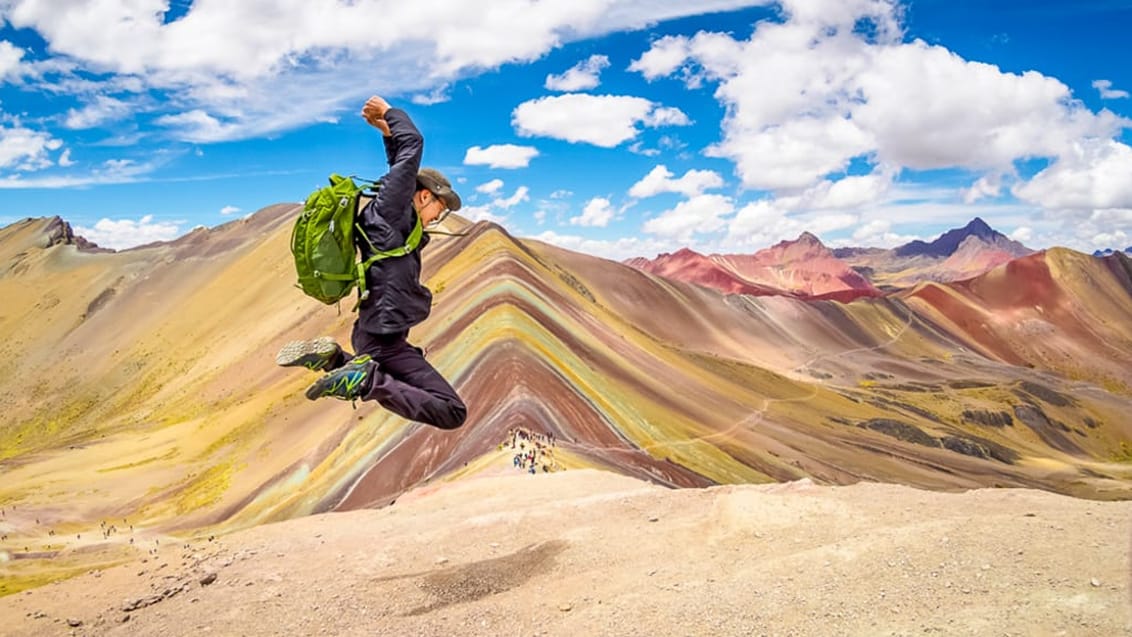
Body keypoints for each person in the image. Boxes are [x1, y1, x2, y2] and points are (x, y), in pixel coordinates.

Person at [275, 95, 466, 431]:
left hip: (374, 331)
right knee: (451, 411)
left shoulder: (391, 215)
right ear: (424, 195)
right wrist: (391, 113)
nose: (440, 215)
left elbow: (399, 166)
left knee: (390, 375)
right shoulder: (392, 211)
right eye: (441, 205)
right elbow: (412, 149)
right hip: (384, 335)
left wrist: (386, 132)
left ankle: (334, 360)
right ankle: (360, 380)